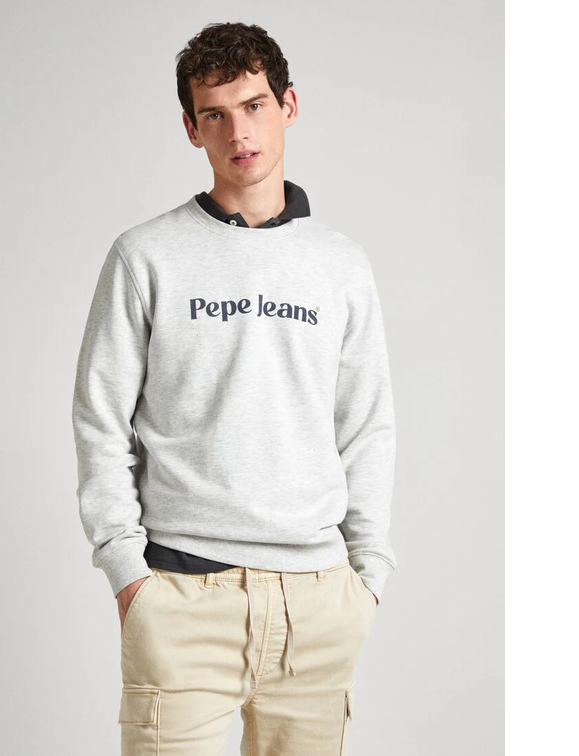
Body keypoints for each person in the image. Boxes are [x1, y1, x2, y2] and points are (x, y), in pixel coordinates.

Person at [72, 21, 397, 755]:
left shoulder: (341, 266)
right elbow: (100, 419)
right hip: (182, 596)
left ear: (288, 105)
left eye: (253, 106)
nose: (238, 132)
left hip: (319, 603)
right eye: (214, 114)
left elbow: (367, 423)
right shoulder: (145, 255)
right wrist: (127, 574)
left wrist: (368, 574)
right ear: (191, 129)